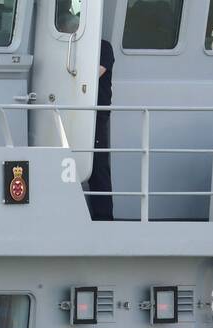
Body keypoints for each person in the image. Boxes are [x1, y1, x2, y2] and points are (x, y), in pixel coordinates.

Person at [87, 39, 115, 221]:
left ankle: (104, 217)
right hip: (77, 109)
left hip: (97, 114)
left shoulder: (104, 47)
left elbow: (94, 74)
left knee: (98, 166)